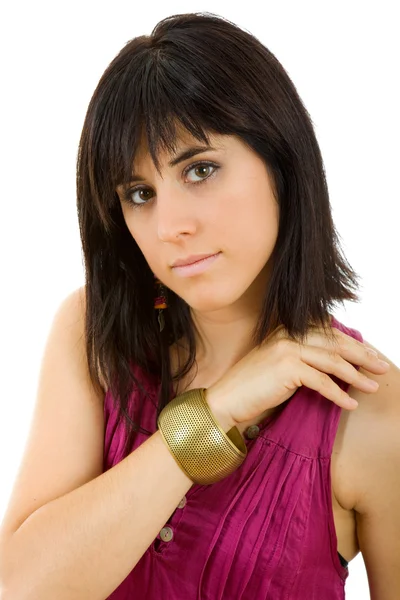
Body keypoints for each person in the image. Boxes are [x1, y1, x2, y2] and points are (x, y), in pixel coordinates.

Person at [0, 11, 399, 600]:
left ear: (282, 165)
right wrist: (214, 414)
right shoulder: (94, 333)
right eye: (140, 193)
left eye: (201, 169)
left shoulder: (367, 405)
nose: (170, 226)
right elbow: (20, 587)